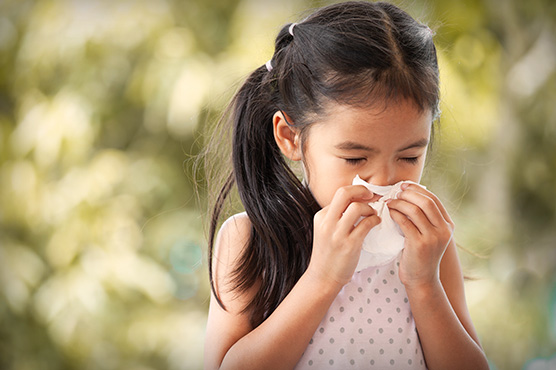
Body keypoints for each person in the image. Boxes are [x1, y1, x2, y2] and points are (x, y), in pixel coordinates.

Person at [203, 1, 489, 369]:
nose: (384, 181)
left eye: (409, 157)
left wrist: (423, 284)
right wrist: (322, 278)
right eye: (355, 159)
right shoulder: (250, 239)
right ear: (290, 137)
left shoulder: (427, 245)